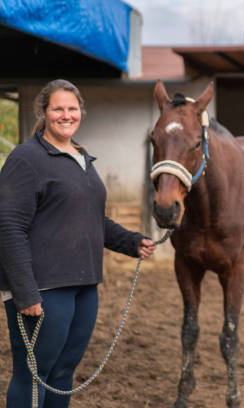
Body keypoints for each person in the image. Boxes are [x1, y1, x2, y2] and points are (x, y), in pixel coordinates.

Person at [0, 79, 156, 407]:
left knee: (62, 373)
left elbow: (90, 219)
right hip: (43, 288)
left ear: (81, 112)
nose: (66, 115)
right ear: (43, 112)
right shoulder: (26, 158)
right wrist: (25, 292)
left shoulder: (83, 158)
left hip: (85, 285)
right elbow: (8, 227)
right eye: (58, 108)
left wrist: (131, 242)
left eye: (73, 109)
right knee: (34, 374)